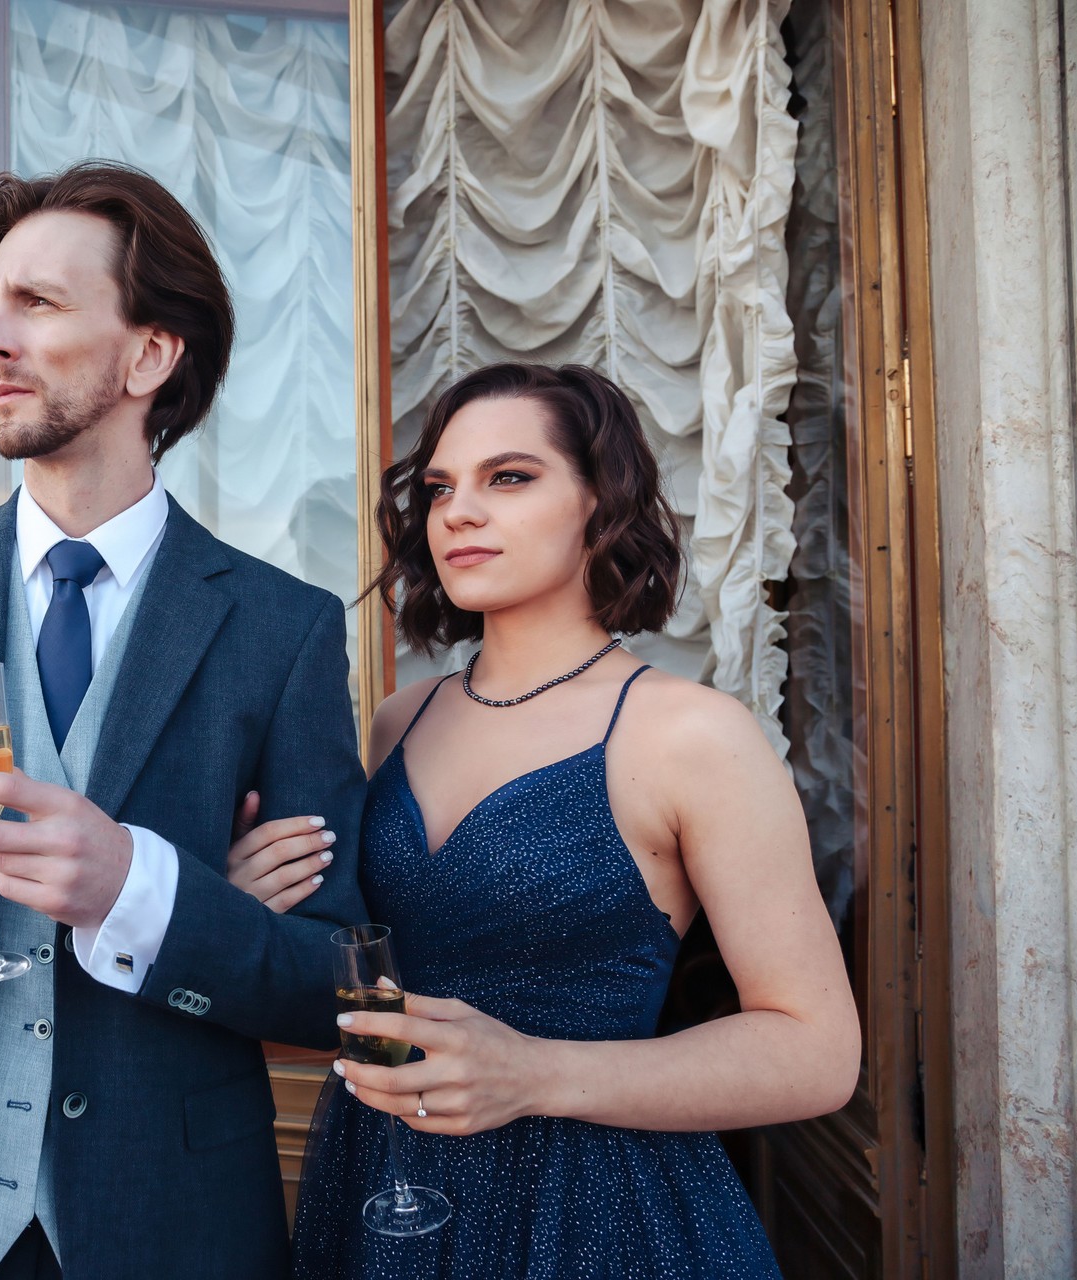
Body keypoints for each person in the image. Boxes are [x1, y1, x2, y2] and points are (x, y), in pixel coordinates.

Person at [0, 160, 370, 1280]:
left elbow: (335, 980)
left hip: (170, 1226)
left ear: (150, 354)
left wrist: (144, 890)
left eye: (36, 304)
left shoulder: (280, 629)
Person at [227, 362, 860, 1276]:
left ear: (602, 504)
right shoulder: (400, 719)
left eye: (509, 478)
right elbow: (358, 984)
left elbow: (817, 1050)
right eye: (441, 487)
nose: (457, 512)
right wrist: (254, 902)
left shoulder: (692, 735)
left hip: (598, 1210)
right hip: (387, 1190)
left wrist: (539, 1073)